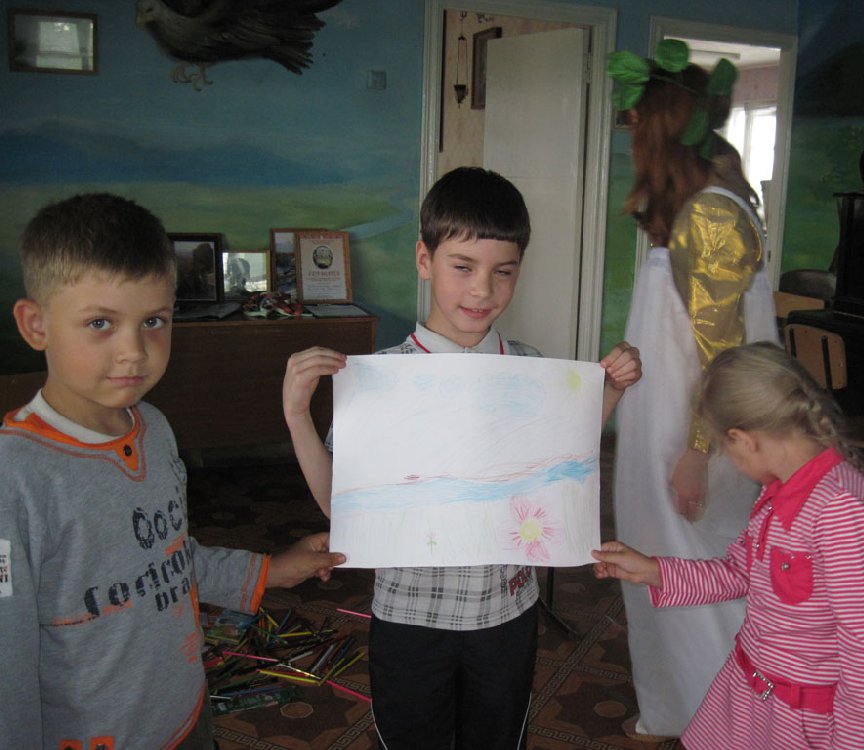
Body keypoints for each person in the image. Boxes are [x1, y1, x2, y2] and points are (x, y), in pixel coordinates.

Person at [282, 166, 642, 750]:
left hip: (507, 612)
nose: (482, 290)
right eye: (463, 267)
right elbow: (337, 506)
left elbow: (561, 459)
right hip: (411, 614)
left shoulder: (531, 368)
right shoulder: (379, 379)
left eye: (503, 272)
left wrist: (612, 391)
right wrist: (298, 415)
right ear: (424, 260)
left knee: (497, 736)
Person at [0, 192, 346, 749]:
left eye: (154, 321)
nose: (134, 351)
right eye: (99, 322)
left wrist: (271, 570)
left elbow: (164, 560)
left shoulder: (155, 429)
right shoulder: (13, 479)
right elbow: (6, 667)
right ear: (36, 324)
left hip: (185, 715)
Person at [606, 39, 781, 740]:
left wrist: (697, 453)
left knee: (699, 577)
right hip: (667, 428)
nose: (632, 141)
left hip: (693, 434)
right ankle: (678, 706)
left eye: (637, 126)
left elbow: (726, 355)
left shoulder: (710, 216)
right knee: (666, 570)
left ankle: (730, 723)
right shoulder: (696, 208)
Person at [593, 342, 864, 749]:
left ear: (743, 439)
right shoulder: (778, 491)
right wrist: (653, 570)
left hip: (798, 719)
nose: (732, 462)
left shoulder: (840, 509)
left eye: (725, 448)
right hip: (749, 691)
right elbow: (739, 572)